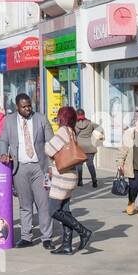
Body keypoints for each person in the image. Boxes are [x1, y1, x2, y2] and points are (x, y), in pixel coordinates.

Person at [0, 93, 58, 249]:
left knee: (43, 204)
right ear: (17, 107)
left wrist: (52, 166)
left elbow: (51, 141)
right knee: (25, 204)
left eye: (29, 105)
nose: (28, 109)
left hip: (40, 167)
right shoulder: (9, 121)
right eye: (24, 106)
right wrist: (3, 152)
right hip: (20, 168)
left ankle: (47, 237)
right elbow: (3, 140)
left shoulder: (41, 119)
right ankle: (26, 237)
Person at [43, 106, 93, 255]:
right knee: (65, 210)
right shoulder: (72, 131)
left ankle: (83, 231)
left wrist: (47, 145)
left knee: (53, 210)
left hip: (62, 177)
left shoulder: (63, 131)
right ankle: (66, 245)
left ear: (62, 117)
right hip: (71, 175)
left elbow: (49, 149)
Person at [72, 110, 104, 188]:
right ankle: (94, 181)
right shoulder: (90, 123)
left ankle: (80, 181)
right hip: (90, 147)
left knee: (79, 165)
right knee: (90, 164)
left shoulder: (74, 124)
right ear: (84, 114)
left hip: (79, 147)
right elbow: (100, 129)